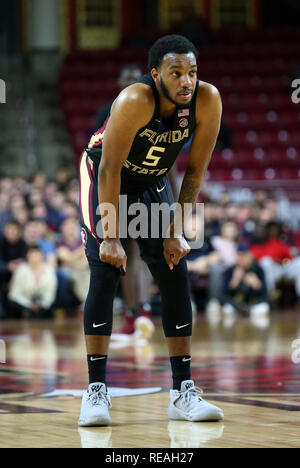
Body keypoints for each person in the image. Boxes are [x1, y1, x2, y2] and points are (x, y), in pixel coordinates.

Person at [78, 34, 224, 426]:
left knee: (175, 271)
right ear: (156, 74)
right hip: (105, 176)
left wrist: (176, 229)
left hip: (150, 181)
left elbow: (194, 173)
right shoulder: (133, 100)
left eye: (192, 72)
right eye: (176, 73)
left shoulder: (208, 100)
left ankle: (182, 392)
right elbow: (109, 170)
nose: (186, 81)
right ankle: (95, 392)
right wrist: (110, 235)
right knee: (105, 272)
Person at [7, 245, 57, 319]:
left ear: (42, 255)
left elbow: (50, 293)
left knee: (51, 308)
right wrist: (29, 304)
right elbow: (14, 293)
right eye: (32, 254)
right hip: (23, 302)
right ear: (28, 255)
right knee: (12, 305)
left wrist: (40, 304)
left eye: (37, 254)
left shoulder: (49, 270)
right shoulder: (21, 269)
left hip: (42, 303)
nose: (35, 257)